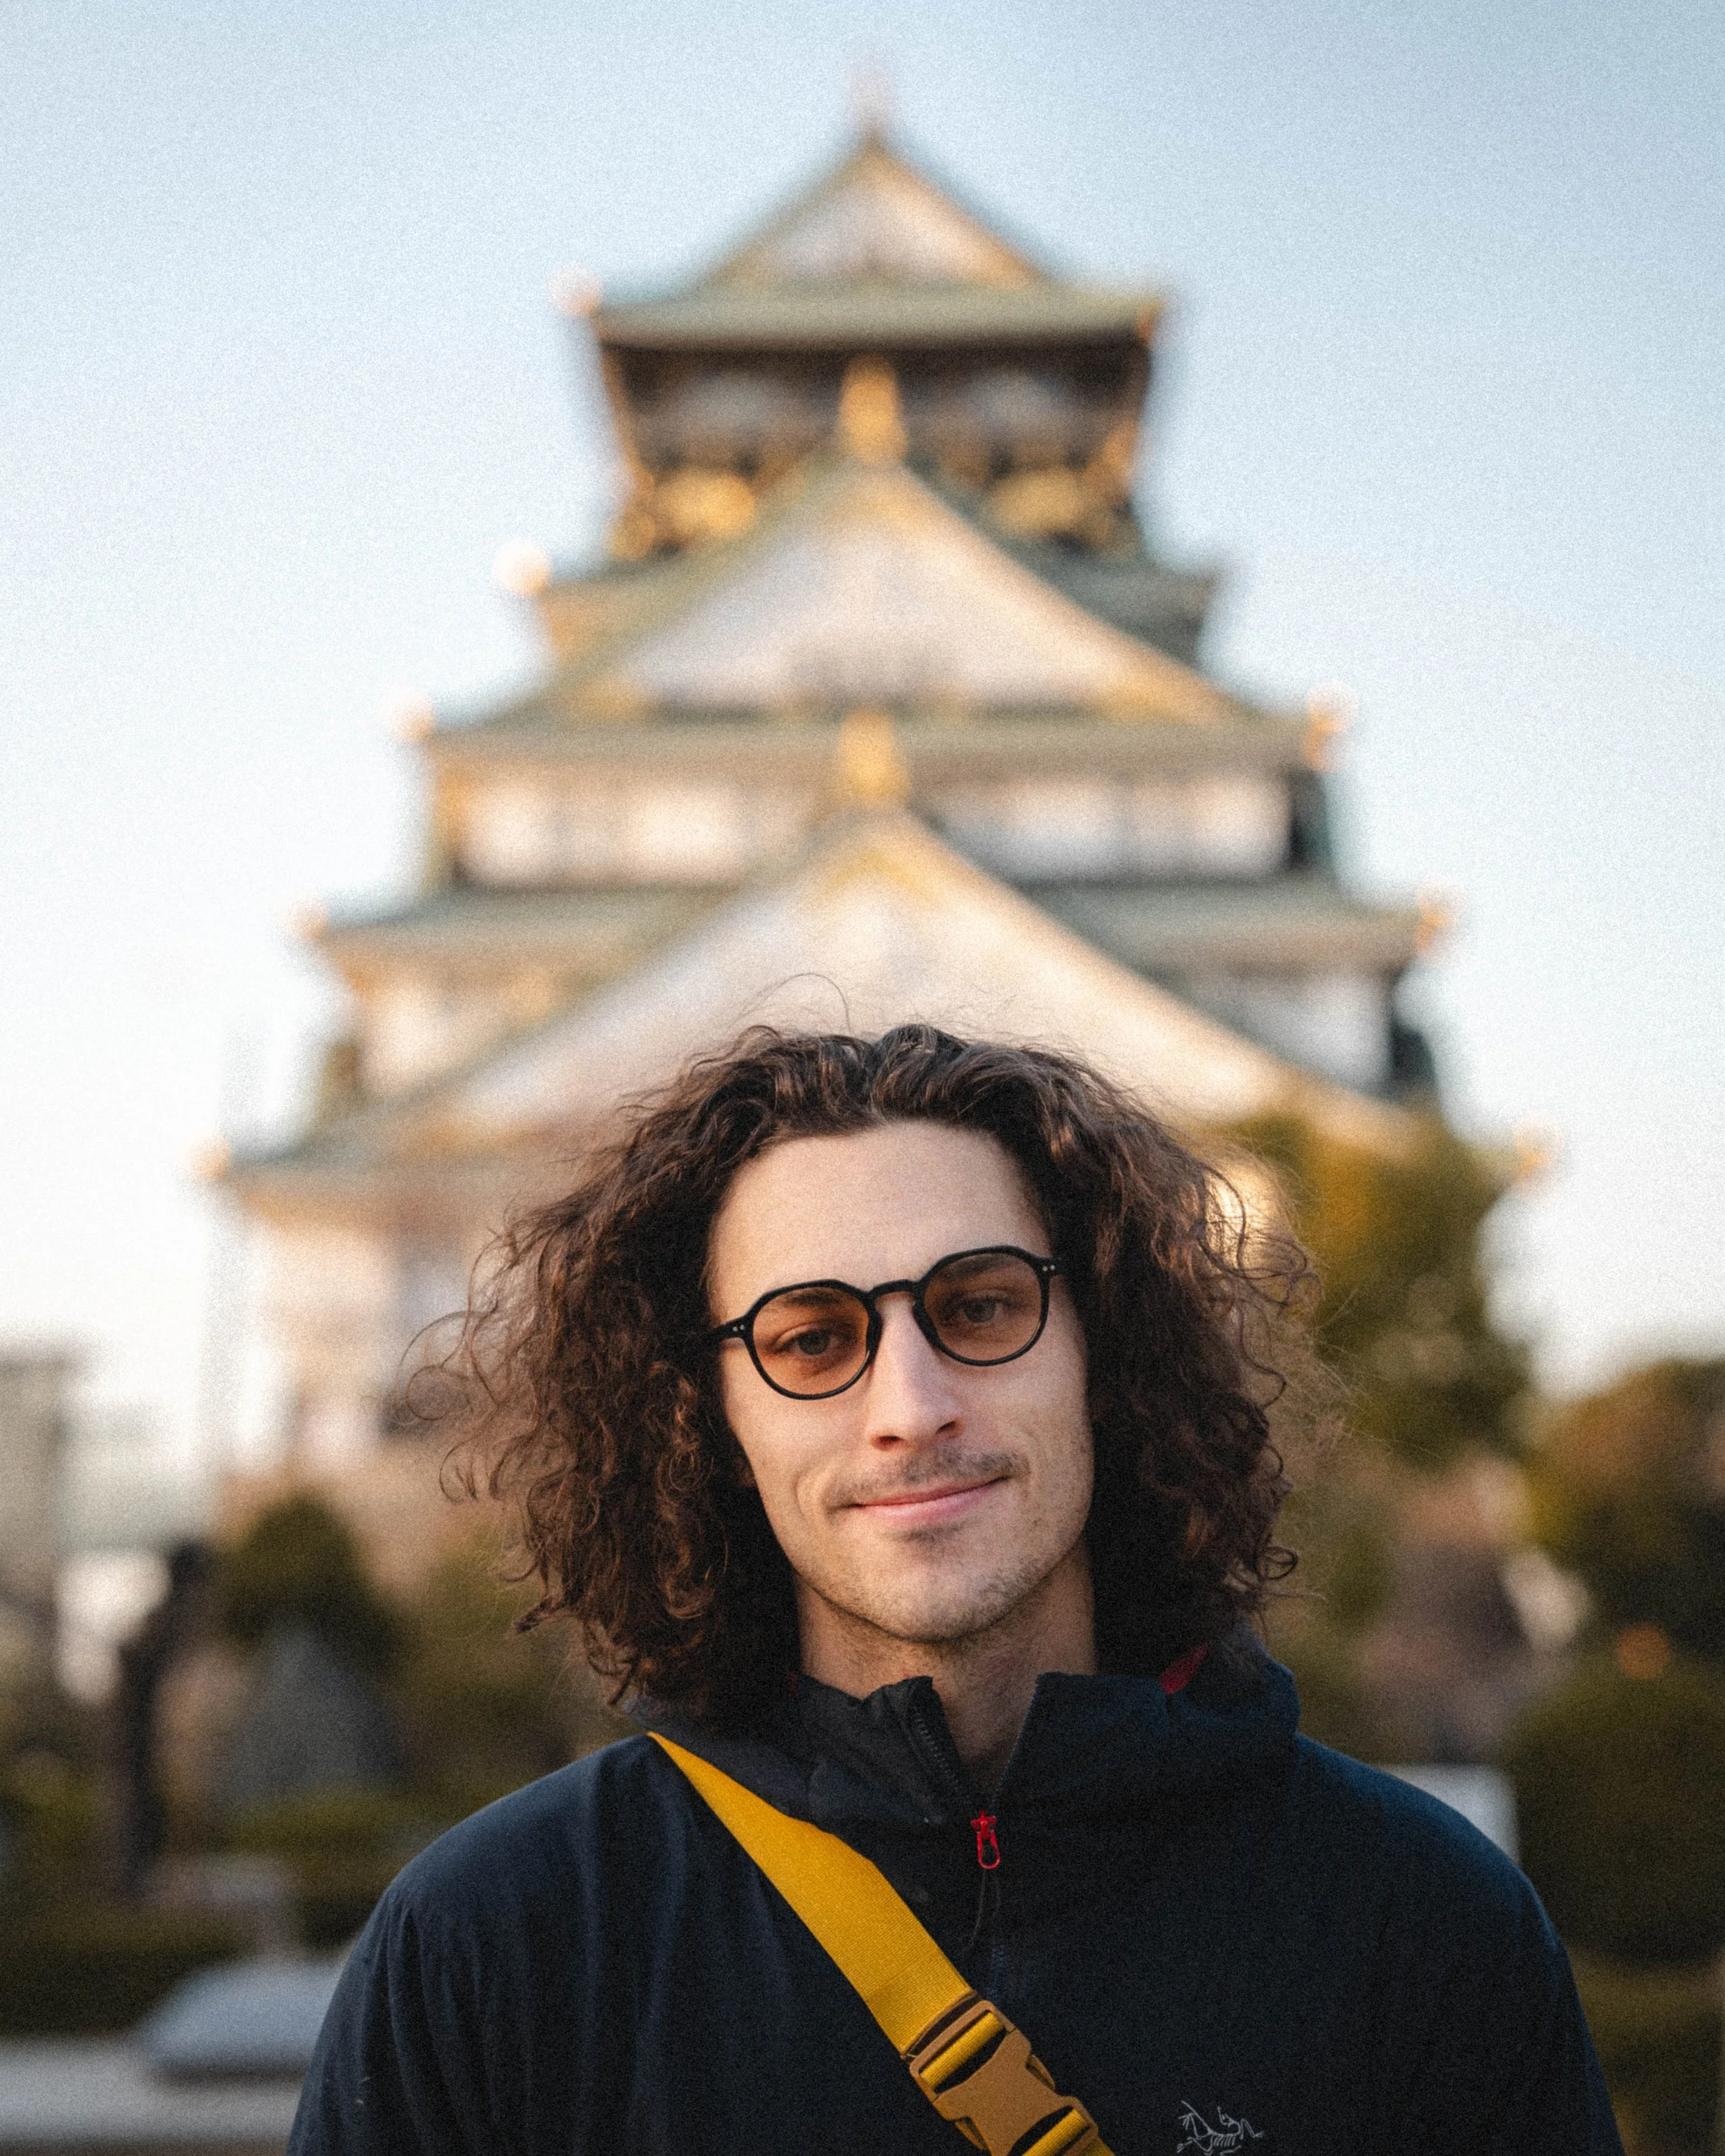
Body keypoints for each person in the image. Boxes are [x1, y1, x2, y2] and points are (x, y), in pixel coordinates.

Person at [288, 1026, 1621, 2154]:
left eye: (981, 1309)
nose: (910, 1407)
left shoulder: (1416, 1921)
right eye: (812, 1339)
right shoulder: (499, 1945)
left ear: (1105, 1354)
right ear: (709, 1423)